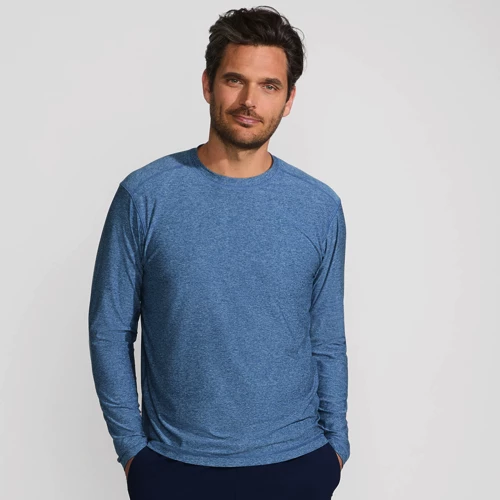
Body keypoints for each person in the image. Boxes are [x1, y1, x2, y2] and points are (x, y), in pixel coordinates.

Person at [88, 6, 350, 499]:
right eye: (235, 80)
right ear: (208, 84)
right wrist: (133, 453)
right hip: (174, 466)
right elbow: (110, 329)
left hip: (297, 463)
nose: (250, 100)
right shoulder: (144, 196)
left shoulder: (319, 206)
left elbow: (326, 337)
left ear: (289, 99)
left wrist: (334, 448)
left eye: (269, 86)